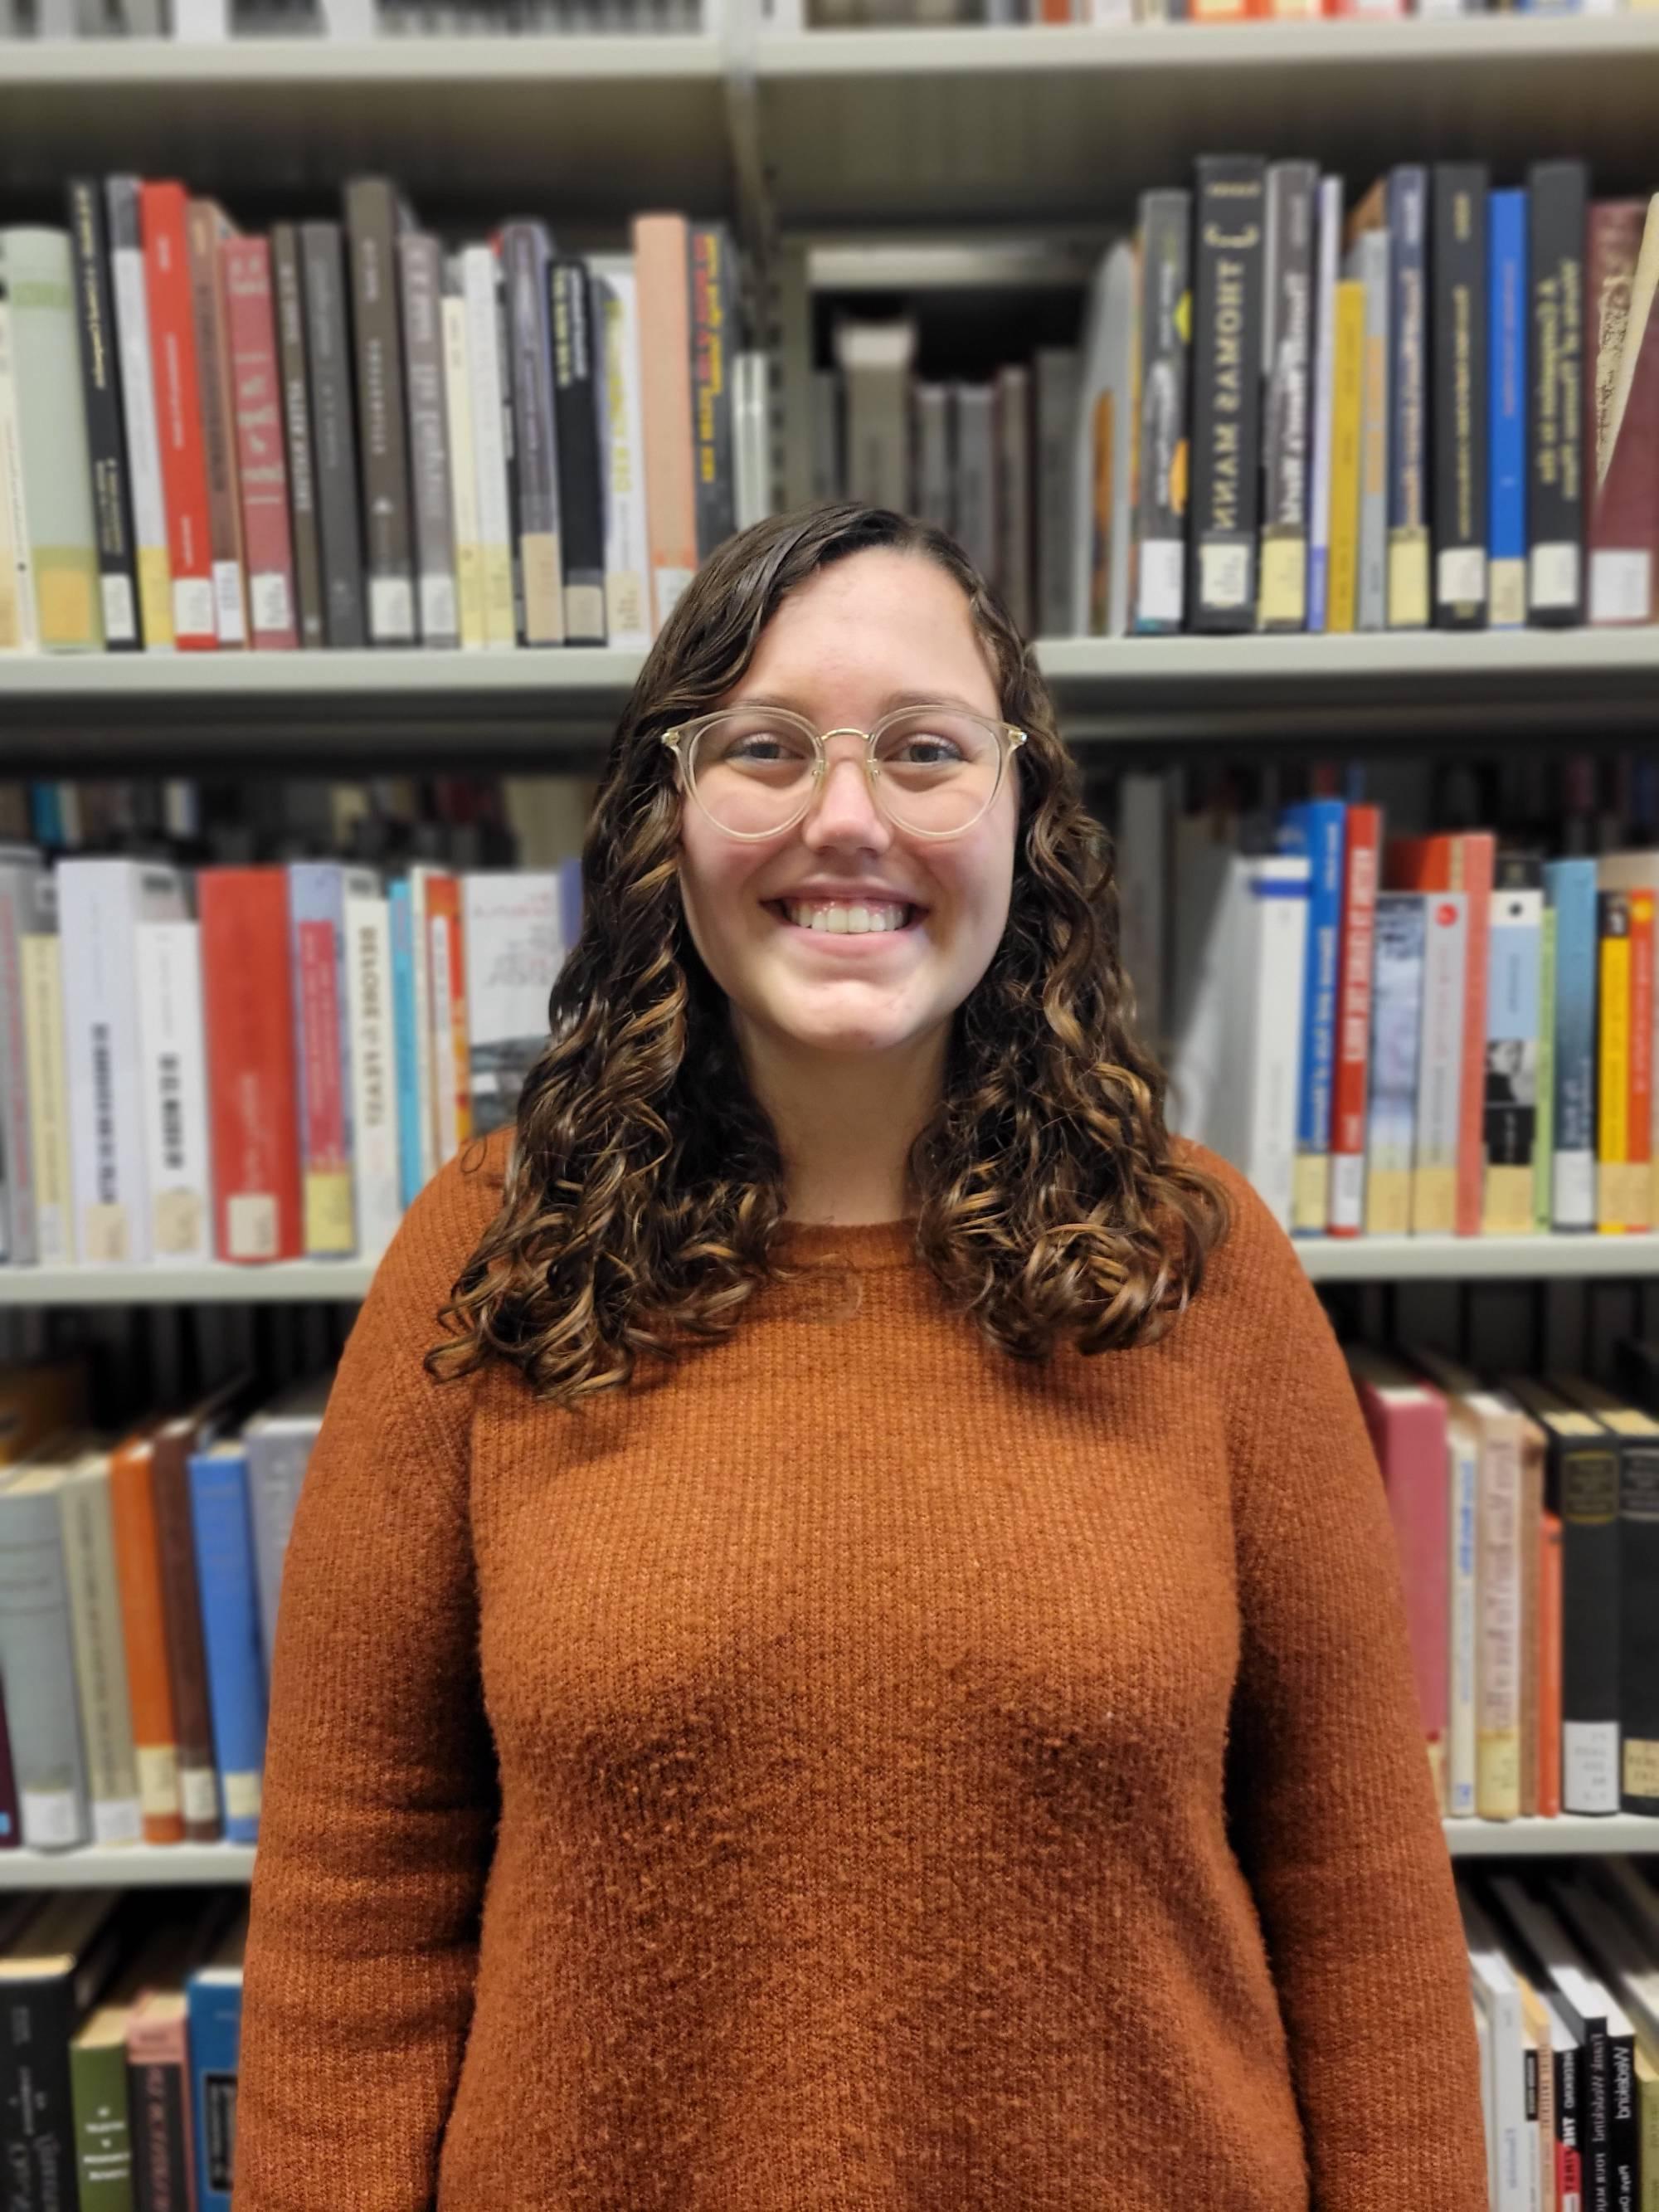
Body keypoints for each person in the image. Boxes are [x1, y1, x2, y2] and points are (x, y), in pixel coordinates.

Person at [231, 502, 1487, 2211]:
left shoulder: (1201, 1267)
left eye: (921, 750)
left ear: (1023, 811)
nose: (846, 818)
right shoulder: (488, 1269)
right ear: (667, 817)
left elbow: (1358, 1898)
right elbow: (357, 1910)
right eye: (763, 748)